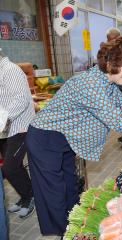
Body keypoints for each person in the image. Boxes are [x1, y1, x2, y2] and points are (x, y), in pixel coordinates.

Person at [26, 37, 122, 236]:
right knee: (54, 193)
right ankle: (65, 233)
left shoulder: (107, 82)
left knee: (70, 187)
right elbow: (120, 122)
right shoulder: (91, 84)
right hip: (45, 139)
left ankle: (75, 226)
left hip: (66, 139)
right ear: (111, 63)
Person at [0, 51, 35, 219]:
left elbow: (21, 100)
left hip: (20, 127)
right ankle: (25, 196)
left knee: (9, 167)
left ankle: (31, 197)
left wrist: (1, 119)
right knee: (14, 166)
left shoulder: (10, 70)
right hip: (5, 129)